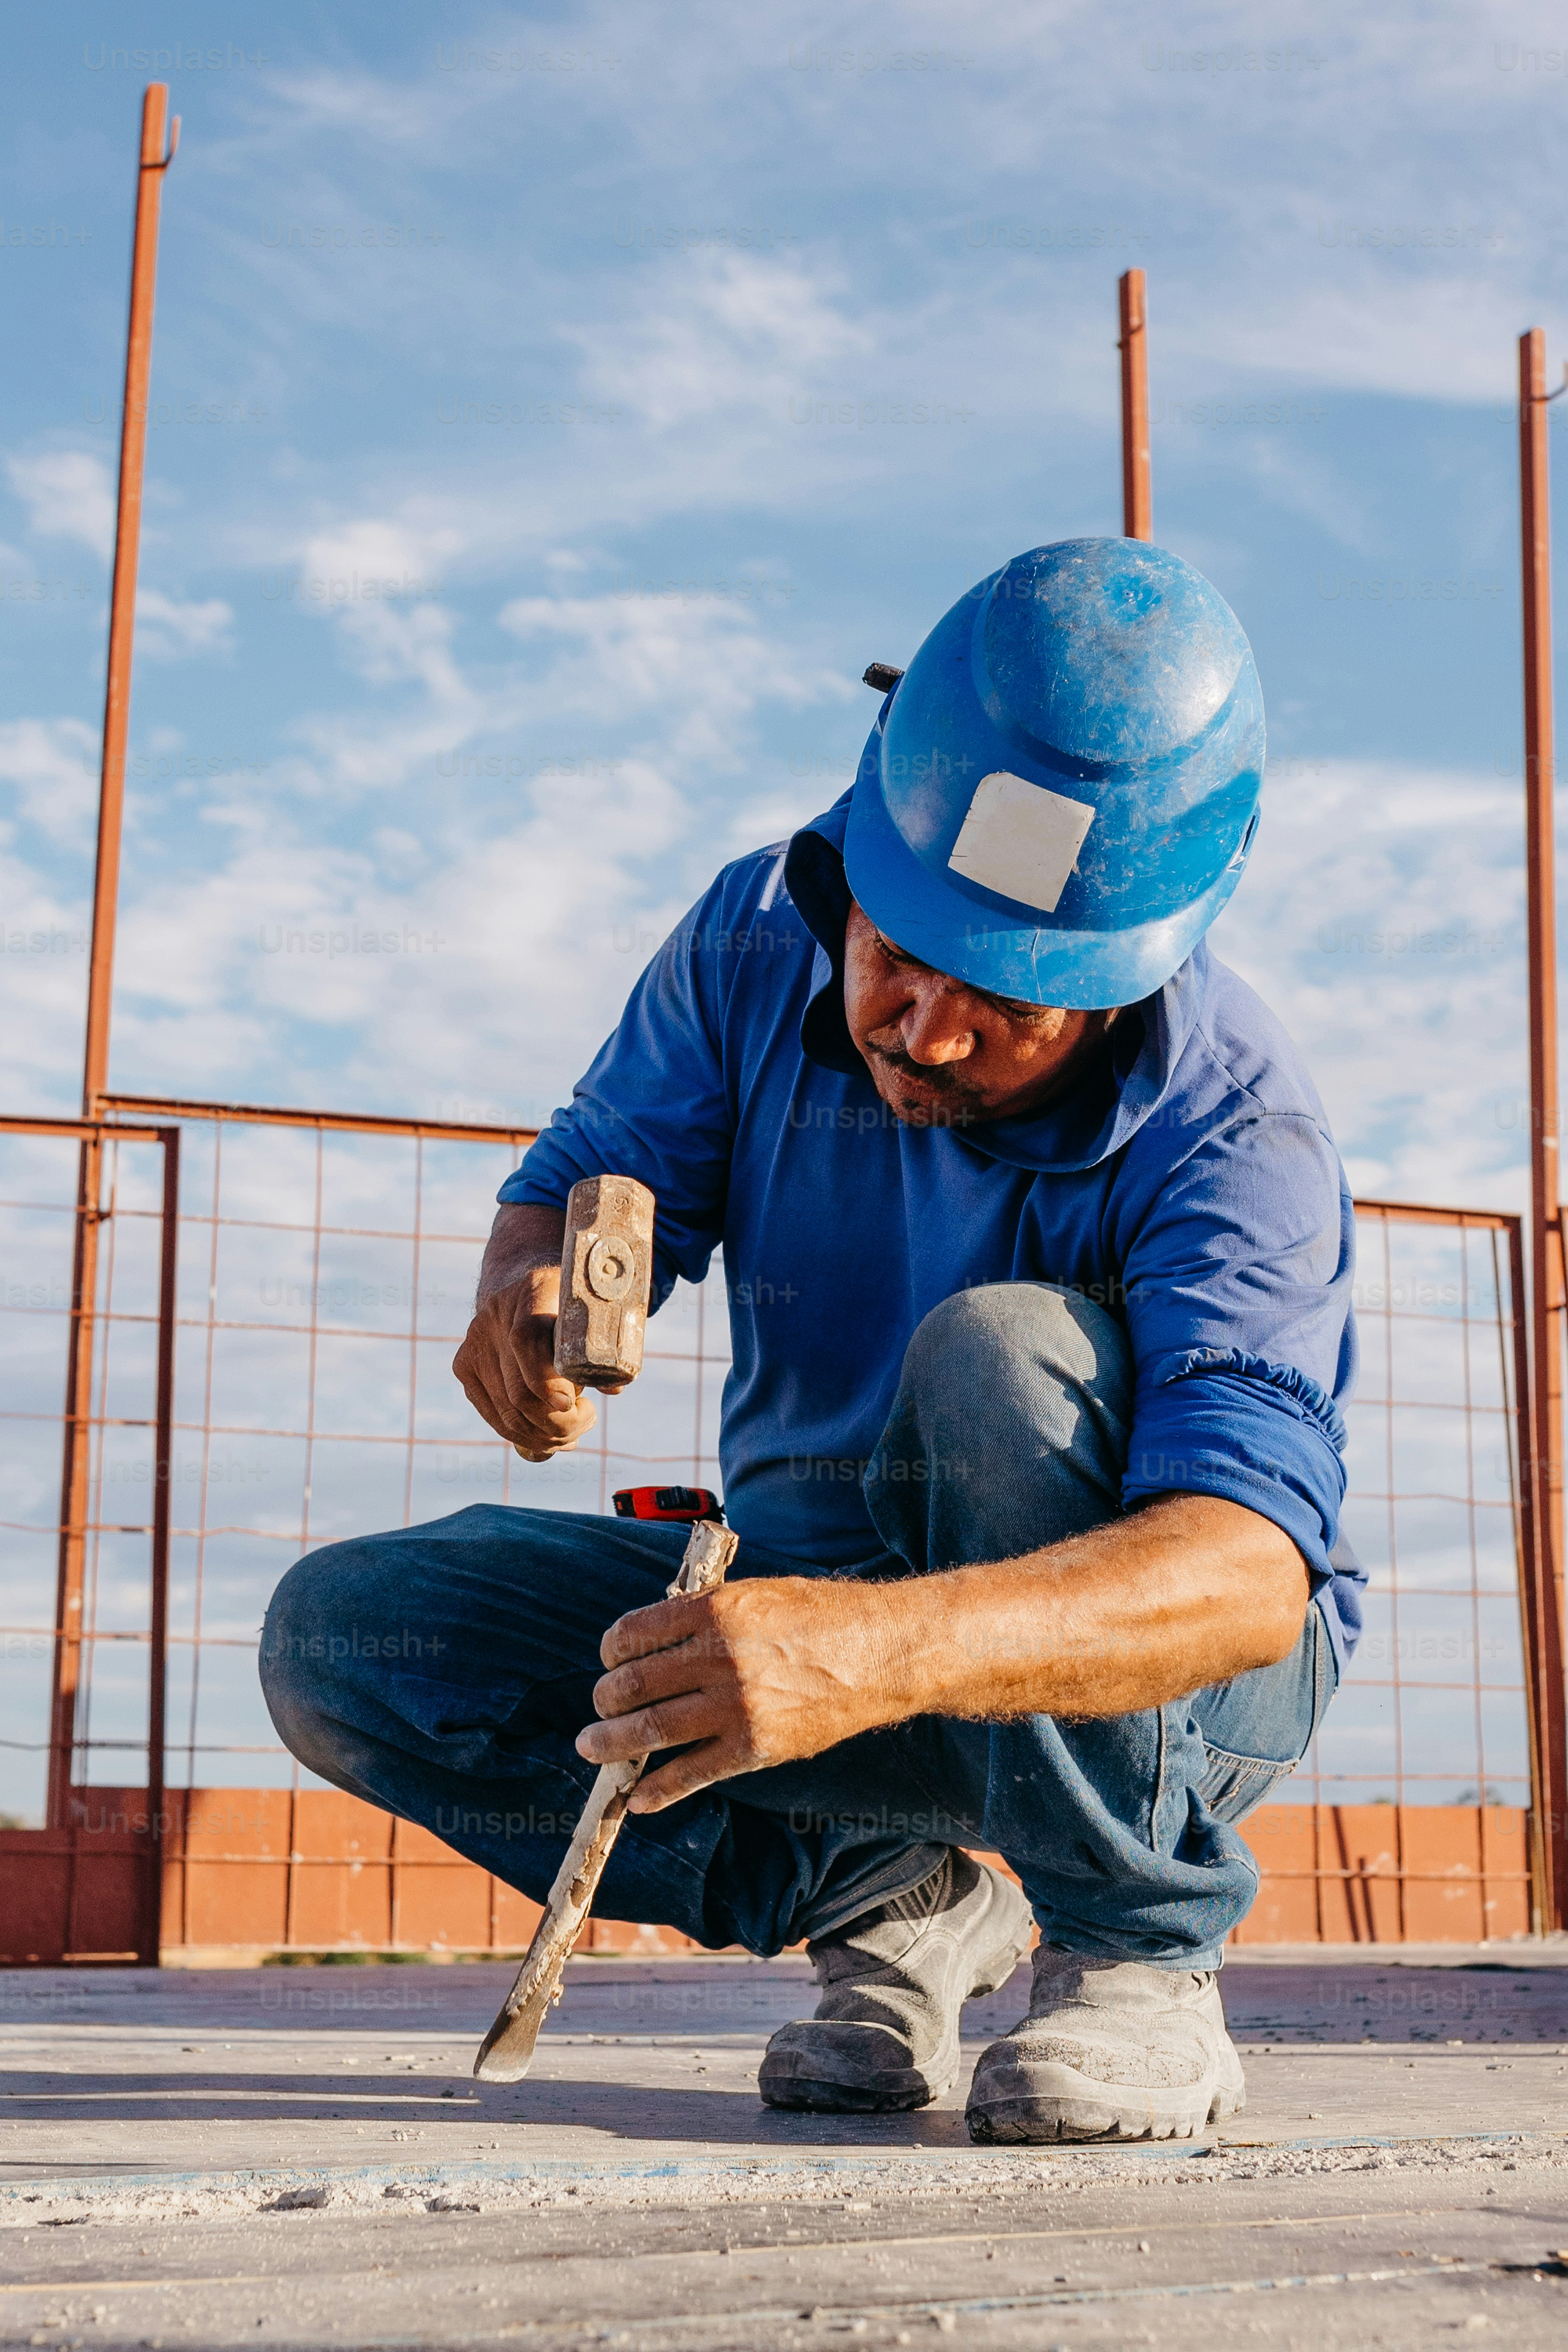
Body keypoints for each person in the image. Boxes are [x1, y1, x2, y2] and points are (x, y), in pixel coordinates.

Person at [262, 538, 1359, 2144]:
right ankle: (901, 1903)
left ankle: (1133, 1950)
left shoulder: (1234, 1123)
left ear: (1132, 974)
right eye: (903, 954)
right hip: (814, 1638)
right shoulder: (752, 937)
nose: (927, 1030)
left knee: (1003, 1361)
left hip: (1170, 1692)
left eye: (1007, 1001)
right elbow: (573, 1193)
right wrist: (530, 1302)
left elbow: (1246, 1574)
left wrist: (870, 1654)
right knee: (347, 1641)